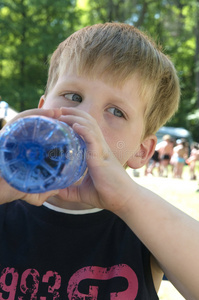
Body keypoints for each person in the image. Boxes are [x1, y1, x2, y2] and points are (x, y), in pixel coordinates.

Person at [0, 23, 199, 300]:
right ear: (42, 109)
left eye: (116, 111)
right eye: (73, 97)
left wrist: (128, 200)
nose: (85, 118)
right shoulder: (5, 205)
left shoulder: (144, 226)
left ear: (141, 151)